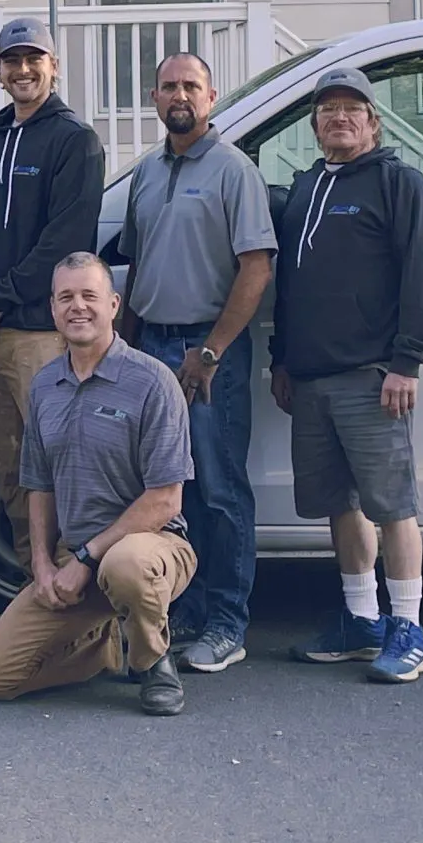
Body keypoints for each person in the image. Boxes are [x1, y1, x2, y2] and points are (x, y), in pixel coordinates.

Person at [270, 66, 423, 686]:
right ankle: (360, 619)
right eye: (327, 110)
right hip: (311, 379)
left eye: (352, 108)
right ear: (314, 124)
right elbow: (290, 285)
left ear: (373, 121)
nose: (338, 117)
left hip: (373, 377)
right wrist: (283, 360)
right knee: (339, 507)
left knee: (392, 505)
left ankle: (408, 627)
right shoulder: (306, 188)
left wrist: (408, 361)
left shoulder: (399, 184)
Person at [0, 254, 197, 717]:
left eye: (90, 296)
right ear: (53, 309)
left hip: (150, 549)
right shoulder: (44, 386)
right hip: (72, 559)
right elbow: (39, 485)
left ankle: (152, 661)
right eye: (66, 297)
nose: (79, 307)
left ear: (114, 305)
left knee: (126, 564)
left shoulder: (152, 382)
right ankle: (107, 648)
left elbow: (164, 499)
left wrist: (86, 558)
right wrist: (41, 565)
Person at [114, 51, 276, 673]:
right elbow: (139, 268)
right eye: (169, 86)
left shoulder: (235, 170)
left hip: (210, 355)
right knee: (166, 491)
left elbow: (256, 267)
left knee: (219, 489)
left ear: (210, 98)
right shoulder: (147, 175)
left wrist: (210, 352)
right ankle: (187, 606)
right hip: (149, 347)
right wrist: (123, 352)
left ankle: (228, 622)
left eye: (192, 86)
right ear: (154, 98)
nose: (179, 95)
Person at [0, 17, 105, 602]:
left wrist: (0, 294)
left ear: (54, 66)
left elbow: (64, 240)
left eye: (34, 59)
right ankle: (36, 595)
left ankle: (82, 604)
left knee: (61, 475)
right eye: (12, 60)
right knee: (13, 478)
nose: (23, 70)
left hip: (40, 338)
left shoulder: (75, 141)